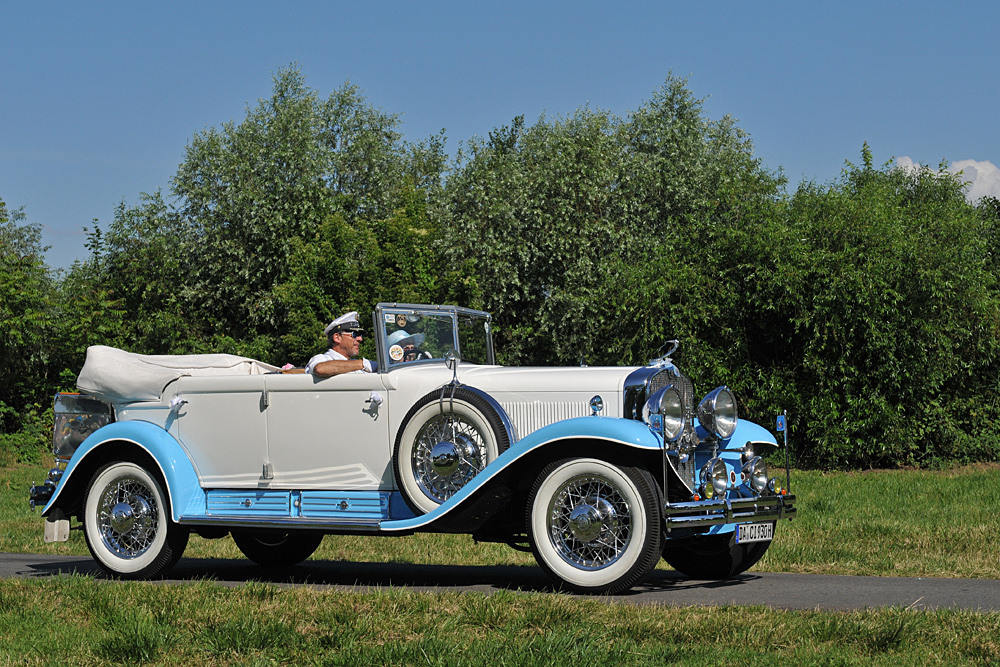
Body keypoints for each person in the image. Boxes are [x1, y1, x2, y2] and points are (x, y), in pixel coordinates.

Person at [306, 311, 376, 377]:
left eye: (360, 335)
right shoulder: (321, 359)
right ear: (337, 338)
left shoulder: (355, 365)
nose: (360, 339)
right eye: (354, 334)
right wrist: (364, 364)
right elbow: (320, 369)